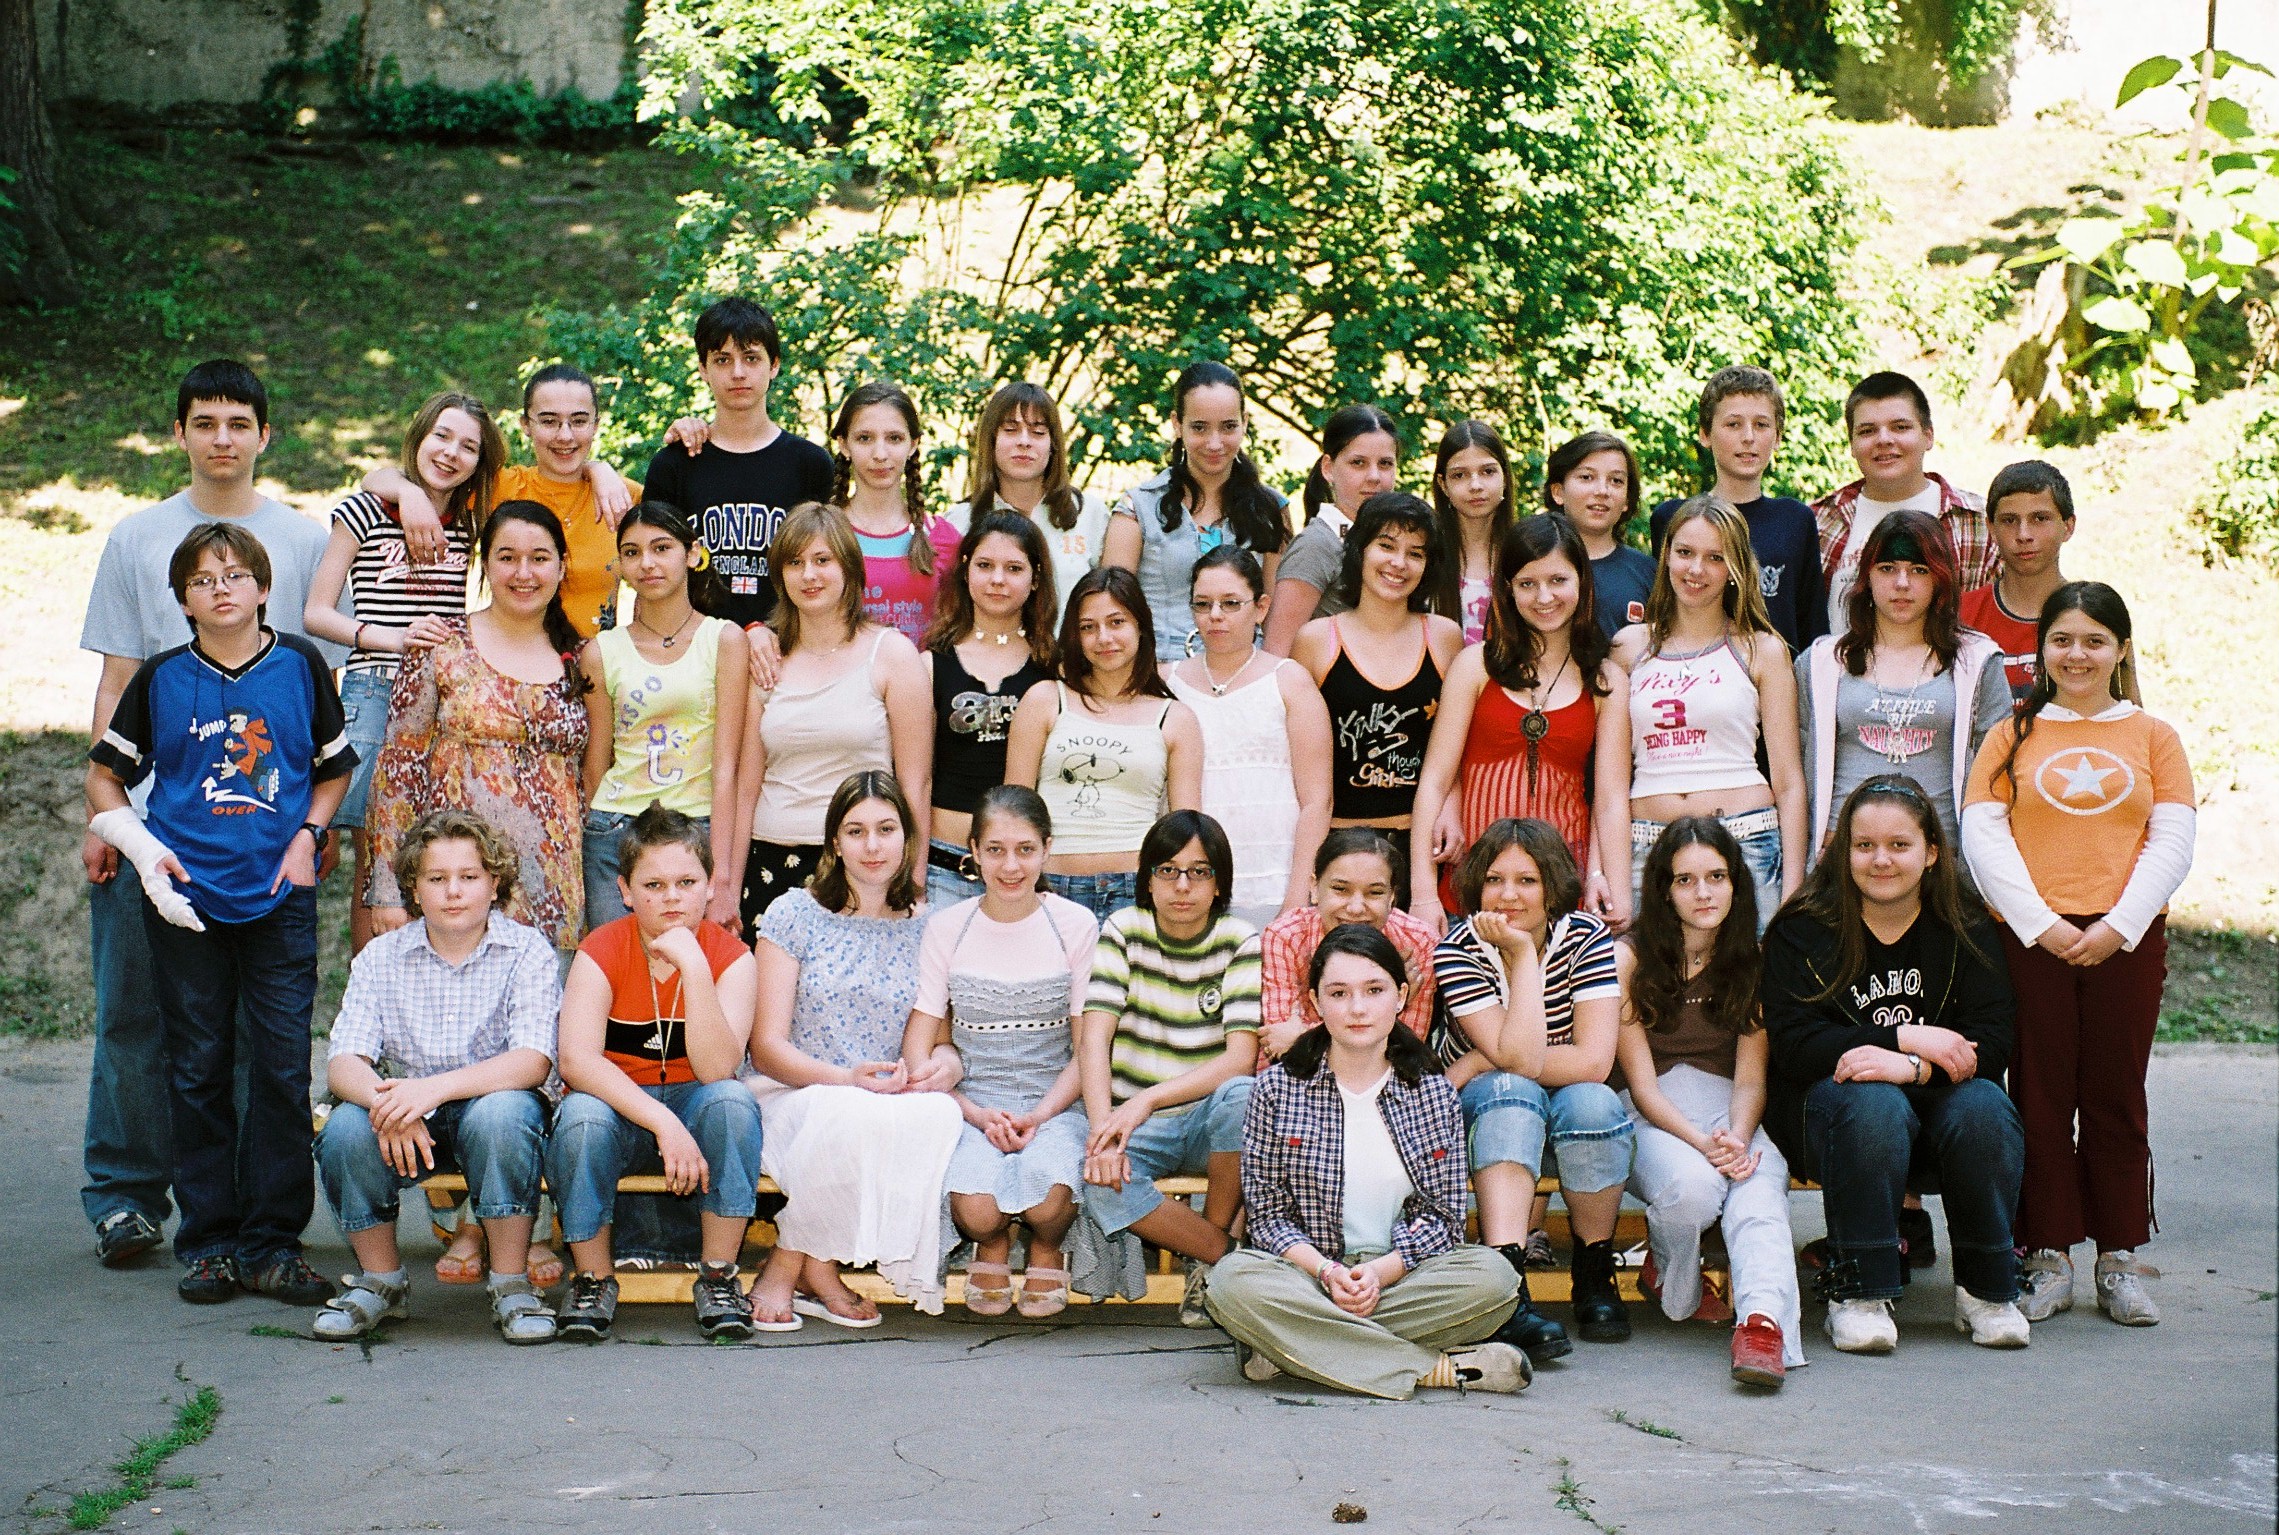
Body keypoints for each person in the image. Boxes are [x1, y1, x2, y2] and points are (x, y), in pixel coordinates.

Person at [76, 359, 337, 1270]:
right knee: (137, 1018)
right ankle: (125, 1196)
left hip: (266, 835)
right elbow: (116, 678)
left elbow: (318, 690)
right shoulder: (137, 537)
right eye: (204, 421)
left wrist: (313, 827)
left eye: (238, 422)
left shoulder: (304, 539)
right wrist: (105, 821)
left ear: (266, 434)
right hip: (157, 828)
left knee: (259, 1042)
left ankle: (249, 1224)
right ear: (180, 432)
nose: (221, 437)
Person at [1961, 582, 2194, 1328]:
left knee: (2114, 1092)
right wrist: (2042, 924)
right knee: (2038, 1092)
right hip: (2031, 939)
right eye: (2062, 639)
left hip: (2126, 940)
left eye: (2094, 640)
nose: (2077, 654)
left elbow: (2172, 836)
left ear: (2120, 649)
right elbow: (1982, 832)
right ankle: (2047, 1254)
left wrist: (2119, 925)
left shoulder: (2153, 736)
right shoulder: (2011, 734)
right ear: (2042, 650)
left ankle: (2118, 1256)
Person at [1762, 775, 2029, 1354]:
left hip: (1940, 1121)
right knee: (1873, 1103)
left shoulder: (1967, 927)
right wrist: (1906, 1034)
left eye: (1899, 845)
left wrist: (1912, 1067)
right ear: (1844, 852)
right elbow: (1794, 1045)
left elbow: (1992, 1043)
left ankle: (1987, 1290)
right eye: (1864, 846)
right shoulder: (1802, 930)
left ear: (1931, 852)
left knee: (1985, 1105)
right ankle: (1859, 1292)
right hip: (1830, 1121)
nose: (1880, 860)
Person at [1206, 924, 1529, 1398]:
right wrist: (1328, 1273)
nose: (1357, 1008)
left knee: (1496, 1280)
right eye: (1339, 993)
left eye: (1374, 990)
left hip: (1403, 1276)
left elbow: (1442, 1218)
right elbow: (1269, 1217)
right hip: (1309, 1277)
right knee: (1231, 1284)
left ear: (1401, 997)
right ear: (1316, 1003)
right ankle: (1436, 1369)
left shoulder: (1433, 1093)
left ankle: (1290, 1346)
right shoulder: (1276, 1090)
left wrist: (1379, 1273)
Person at [310, 810, 562, 1344]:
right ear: (414, 888)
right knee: (346, 1129)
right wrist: (390, 1105)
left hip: (489, 1110)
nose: (453, 891)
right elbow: (344, 1061)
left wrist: (429, 1091)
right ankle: (381, 1281)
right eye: (436, 878)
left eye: (469, 876)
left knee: (504, 1114)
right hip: (408, 1118)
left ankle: (511, 1283)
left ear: (494, 883)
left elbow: (532, 1060)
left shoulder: (527, 950)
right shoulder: (381, 957)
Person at [746, 772, 964, 1324]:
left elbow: (942, 1043)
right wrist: (846, 1079)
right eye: (856, 830)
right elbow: (766, 1047)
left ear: (907, 838)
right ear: (834, 842)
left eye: (886, 829)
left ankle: (810, 1263)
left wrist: (945, 1068)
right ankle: (797, 1268)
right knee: (847, 1113)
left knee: (938, 1113)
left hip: (884, 1097)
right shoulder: (793, 914)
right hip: (792, 1090)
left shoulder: (929, 928)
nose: (872, 845)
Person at [549, 807, 765, 1342]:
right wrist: (662, 1123)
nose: (672, 898)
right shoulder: (600, 950)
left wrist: (694, 968)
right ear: (625, 890)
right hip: (619, 1108)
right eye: (654, 885)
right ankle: (593, 1278)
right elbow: (577, 1060)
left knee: (733, 1103)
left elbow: (718, 1069)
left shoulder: (733, 958)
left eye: (686, 883)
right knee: (579, 1115)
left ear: (710, 887)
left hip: (696, 1101)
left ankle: (718, 1276)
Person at [310, 390, 504, 953]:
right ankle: (371, 991)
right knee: (377, 855)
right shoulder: (363, 512)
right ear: (419, 436)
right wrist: (393, 639)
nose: (450, 453)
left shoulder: (471, 521)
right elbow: (316, 612)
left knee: (437, 851)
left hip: (444, 698)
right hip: (377, 688)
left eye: (468, 446)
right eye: (441, 436)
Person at [1613, 818, 1803, 1387]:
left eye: (1717, 877)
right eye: (1686, 880)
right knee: (1693, 1189)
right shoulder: (1629, 960)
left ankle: (1763, 1326)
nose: (1703, 893)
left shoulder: (1752, 960)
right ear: (1663, 890)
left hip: (1729, 1111)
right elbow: (1642, 1088)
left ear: (1736, 884)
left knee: (1759, 1187)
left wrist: (1738, 1139)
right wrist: (1703, 1144)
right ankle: (1671, 1275)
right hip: (1652, 1112)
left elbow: (1750, 1080)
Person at [1431, 818, 1629, 1354]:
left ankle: (1594, 1270)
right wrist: (1520, 956)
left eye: (1527, 880)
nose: (1508, 895)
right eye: (1494, 879)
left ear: (1553, 886)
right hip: (1487, 1108)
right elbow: (1517, 1064)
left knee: (1595, 1102)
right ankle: (1505, 1288)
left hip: (1565, 1092)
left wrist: (1481, 1058)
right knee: (1509, 1092)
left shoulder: (1585, 936)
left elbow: (1594, 1062)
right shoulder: (1458, 948)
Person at [903, 786, 1100, 1317]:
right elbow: (919, 1048)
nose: (1010, 866)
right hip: (973, 1102)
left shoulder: (1075, 925)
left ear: (1047, 849)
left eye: (1025, 850)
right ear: (973, 851)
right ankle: (990, 1242)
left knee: (1048, 1202)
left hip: (1056, 1100)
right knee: (976, 1211)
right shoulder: (947, 927)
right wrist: (972, 1112)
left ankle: (1047, 1245)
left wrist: (1040, 1114)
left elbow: (1087, 1049)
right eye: (995, 850)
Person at [365, 502, 591, 955]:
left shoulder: (583, 659)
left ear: (562, 565)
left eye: (539, 558)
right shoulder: (440, 645)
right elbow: (397, 769)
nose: (523, 573)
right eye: (507, 557)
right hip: (455, 887)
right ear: (485, 564)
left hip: (553, 886)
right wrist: (388, 888)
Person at [1078, 811, 1263, 1325]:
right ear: (1147, 879)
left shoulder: (1240, 939)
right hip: (1138, 1126)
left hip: (1205, 1120)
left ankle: (1209, 1257)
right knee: (1099, 1185)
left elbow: (1240, 1057)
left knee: (1245, 1096)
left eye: (1199, 872)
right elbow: (1094, 1040)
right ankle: (1222, 1255)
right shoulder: (1124, 929)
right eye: (1168, 870)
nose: (1183, 886)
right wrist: (1103, 1132)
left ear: (1219, 883)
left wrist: (1147, 1099)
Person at [1411, 513, 1630, 934]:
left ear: (1582, 582)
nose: (1544, 597)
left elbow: (1610, 799)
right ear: (1508, 589)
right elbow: (1434, 782)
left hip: (1562, 893)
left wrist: (1610, 881)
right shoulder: (1476, 665)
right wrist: (1422, 893)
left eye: (1558, 580)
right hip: (1472, 890)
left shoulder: (1606, 681)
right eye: (1527, 583)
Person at [734, 502, 932, 928]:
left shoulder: (892, 654)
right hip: (771, 862)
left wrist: (913, 884)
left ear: (849, 566)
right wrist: (729, 890)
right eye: (795, 562)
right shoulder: (766, 659)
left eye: (822, 560)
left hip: (864, 868)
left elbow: (915, 783)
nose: (809, 575)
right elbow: (746, 786)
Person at [1613, 495, 1806, 928]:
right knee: (1648, 970)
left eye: (1715, 557)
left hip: (1745, 840)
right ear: (1666, 556)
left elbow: (1789, 781)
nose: (1696, 569)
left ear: (1735, 567)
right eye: (1685, 552)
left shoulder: (1762, 649)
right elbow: (1610, 782)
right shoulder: (1629, 647)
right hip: (1648, 844)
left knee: (1750, 970)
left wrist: (1793, 886)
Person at [1797, 507, 2009, 884]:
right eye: (1887, 568)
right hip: (1842, 861)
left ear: (1940, 579)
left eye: (1919, 570)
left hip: (1940, 866)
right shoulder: (1821, 662)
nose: (1902, 583)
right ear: (1866, 577)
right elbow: (1796, 773)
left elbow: (1998, 776)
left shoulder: (1978, 661)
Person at [576, 504, 750, 931]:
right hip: (616, 831)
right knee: (616, 964)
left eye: (661, 548)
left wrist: (723, 875)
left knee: (692, 965)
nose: (647, 563)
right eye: (632, 552)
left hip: (695, 830)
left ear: (693, 554)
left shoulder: (724, 640)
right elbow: (596, 764)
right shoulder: (601, 651)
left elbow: (726, 769)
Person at [1290, 493, 1466, 910]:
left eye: (1415, 553)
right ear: (1360, 550)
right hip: (1337, 846)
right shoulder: (1315, 640)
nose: (1398, 563)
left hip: (1420, 849)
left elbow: (1455, 745)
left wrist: (1452, 805)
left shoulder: (1444, 637)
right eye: (1386, 546)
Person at [372, 363, 637, 638]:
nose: (565, 435)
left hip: (596, 661)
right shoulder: (500, 487)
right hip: (511, 658)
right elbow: (379, 479)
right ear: (526, 425)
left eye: (579, 421)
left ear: (596, 425)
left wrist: (599, 468)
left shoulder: (621, 497)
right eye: (549, 421)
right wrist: (408, 493)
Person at [1005, 566, 1203, 922]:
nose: (1103, 638)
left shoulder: (1176, 718)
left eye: (1116, 622)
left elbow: (1185, 830)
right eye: (1088, 627)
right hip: (1048, 888)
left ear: (1140, 626)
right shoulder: (1044, 700)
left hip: (1136, 890)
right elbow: (1014, 810)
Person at [645, 296, 837, 632]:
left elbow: (828, 569)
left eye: (751, 358)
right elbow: (652, 573)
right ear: (703, 368)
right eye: (722, 360)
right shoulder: (673, 465)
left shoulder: (811, 464)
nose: (738, 373)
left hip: (787, 644)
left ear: (773, 365)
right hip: (694, 646)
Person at [1167, 546, 1334, 926]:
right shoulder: (1167, 683)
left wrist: (1297, 897)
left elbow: (1317, 801)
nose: (1215, 615)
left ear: (1260, 608)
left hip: (1276, 883)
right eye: (1203, 604)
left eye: (1230, 603)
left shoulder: (1289, 680)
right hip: (1191, 888)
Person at [1103, 360, 1290, 662]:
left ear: (1244, 422)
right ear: (1177, 424)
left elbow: (1277, 617)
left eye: (1228, 426)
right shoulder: (1137, 509)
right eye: (1199, 427)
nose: (1215, 443)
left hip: (1243, 674)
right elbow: (1109, 611)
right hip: (1157, 673)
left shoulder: (1271, 510)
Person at [920, 510, 1059, 908]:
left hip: (1023, 872)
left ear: (1035, 578)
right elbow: (917, 779)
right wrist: (912, 874)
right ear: (965, 571)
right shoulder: (931, 664)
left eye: (1013, 568)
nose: (998, 579)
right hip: (943, 867)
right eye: (984, 566)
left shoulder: (1055, 666)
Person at [1648, 366, 1826, 654]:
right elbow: (1661, 611)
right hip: (1694, 674)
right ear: (1705, 434)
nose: (1748, 437)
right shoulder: (1673, 518)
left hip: (1779, 677)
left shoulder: (1795, 520)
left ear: (1777, 437)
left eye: (1761, 425)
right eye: (1733, 424)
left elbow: (1813, 628)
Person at [1813, 370, 1996, 634]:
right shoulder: (1819, 522)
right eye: (1867, 431)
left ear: (1928, 436)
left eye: (1900, 427)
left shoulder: (1977, 522)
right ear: (1852, 444)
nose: (1884, 440)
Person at [1257, 829, 1438, 1059]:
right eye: (1341, 890)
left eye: (1374, 892)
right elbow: (1280, 1047)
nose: (1355, 908)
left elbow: (1406, 1052)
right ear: (1314, 887)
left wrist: (1301, 1035)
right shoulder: (1286, 936)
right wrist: (1385, 1011)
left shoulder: (1419, 943)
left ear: (1392, 896)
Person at [947, 381, 1110, 620]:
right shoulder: (959, 521)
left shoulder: (1090, 514)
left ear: (1053, 445)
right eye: (1010, 430)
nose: (1024, 441)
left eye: (1038, 432)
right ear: (992, 440)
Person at [828, 380, 964, 646]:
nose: (880, 454)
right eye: (864, 438)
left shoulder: (941, 537)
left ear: (913, 444)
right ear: (844, 445)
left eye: (894, 438)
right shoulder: (821, 534)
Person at [1265, 405, 1401, 653]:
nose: (1374, 476)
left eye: (1385, 464)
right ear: (1328, 468)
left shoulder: (1398, 543)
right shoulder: (1316, 545)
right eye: (1358, 463)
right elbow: (1277, 652)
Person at [1959, 460, 2078, 709]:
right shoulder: (1961, 616)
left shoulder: (2093, 615)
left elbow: (2126, 715)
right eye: (2009, 520)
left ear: (2068, 527)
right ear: (1991, 528)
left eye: (2040, 518)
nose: (2024, 535)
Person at [1543, 430, 1654, 639]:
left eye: (1616, 481)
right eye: (1587, 477)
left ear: (1627, 500)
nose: (1602, 491)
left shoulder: (1647, 573)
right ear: (1558, 492)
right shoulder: (1532, 564)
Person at [1426, 418, 1518, 644]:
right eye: (1460, 475)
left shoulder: (1526, 552)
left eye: (1488, 471)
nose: (1475, 485)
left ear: (1505, 477)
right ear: (1443, 484)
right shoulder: (1424, 555)